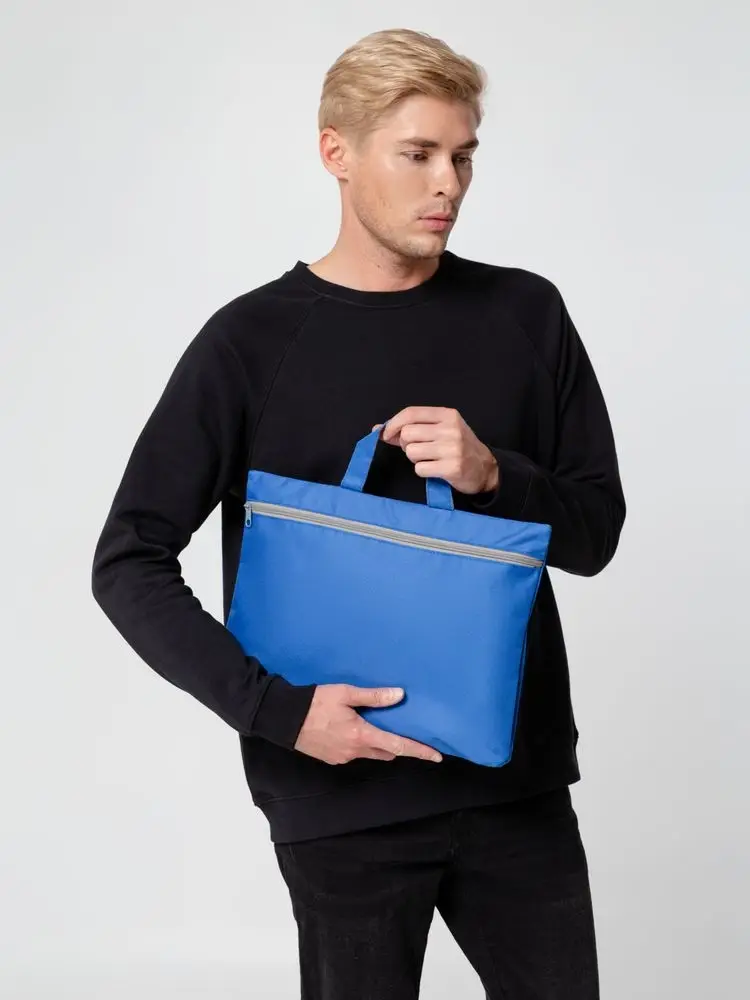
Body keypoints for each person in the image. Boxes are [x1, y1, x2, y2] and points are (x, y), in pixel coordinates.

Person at [91, 27, 625, 1000]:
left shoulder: (526, 314)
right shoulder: (251, 341)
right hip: (336, 796)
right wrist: (279, 714)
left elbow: (596, 533)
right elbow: (129, 560)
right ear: (336, 152)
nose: (448, 184)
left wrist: (496, 476)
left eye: (463, 156)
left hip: (517, 788)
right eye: (417, 153)